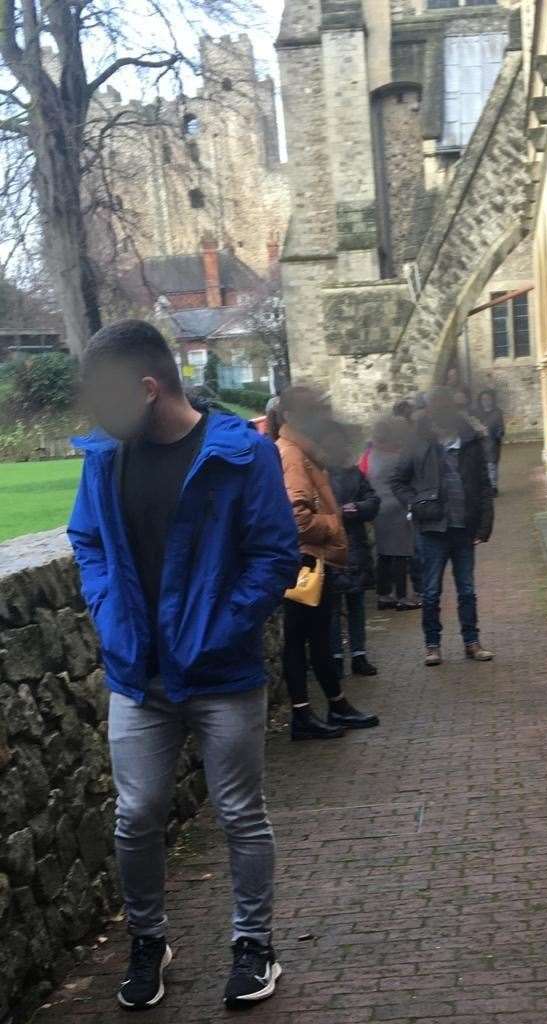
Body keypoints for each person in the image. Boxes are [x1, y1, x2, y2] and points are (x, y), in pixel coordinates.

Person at [68, 320, 298, 1011]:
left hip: (221, 676)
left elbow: (273, 556)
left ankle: (253, 945)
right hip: (139, 678)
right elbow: (88, 542)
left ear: (147, 388)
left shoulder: (241, 456)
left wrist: (217, 631)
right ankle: (148, 941)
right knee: (135, 815)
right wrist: (111, 618)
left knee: (239, 814)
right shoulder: (105, 457)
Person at [275, 386, 380, 739]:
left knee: (317, 636)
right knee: (301, 637)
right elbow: (298, 518)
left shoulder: (302, 452)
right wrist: (336, 525)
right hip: (305, 561)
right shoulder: (291, 455)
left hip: (312, 560)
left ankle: (334, 705)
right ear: (290, 417)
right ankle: (305, 715)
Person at [390, 387, 495, 667]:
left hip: (464, 528)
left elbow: (484, 485)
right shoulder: (418, 444)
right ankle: (432, 645)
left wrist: (484, 527)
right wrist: (415, 504)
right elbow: (398, 481)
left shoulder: (470, 443)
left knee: (467, 590)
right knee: (432, 591)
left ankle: (472, 642)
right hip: (432, 529)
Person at [322, 423, 381, 678]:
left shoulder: (353, 474)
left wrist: (356, 508)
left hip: (351, 545)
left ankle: (355, 655)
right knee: (337, 607)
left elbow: (373, 501)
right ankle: (339, 656)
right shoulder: (320, 477)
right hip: (335, 546)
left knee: (351, 605)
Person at [366, 416, 419, 611]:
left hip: (378, 507)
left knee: (383, 554)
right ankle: (402, 596)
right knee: (400, 553)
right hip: (396, 506)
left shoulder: (371, 455)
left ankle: (383, 594)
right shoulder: (397, 457)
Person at [475, 388, 506, 494]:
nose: (486, 401)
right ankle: (485, 486)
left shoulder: (497, 412)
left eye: (488, 399)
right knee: (483, 465)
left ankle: (493, 486)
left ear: (492, 400)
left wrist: (498, 433)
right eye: (483, 399)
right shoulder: (477, 413)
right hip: (481, 443)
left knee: (492, 465)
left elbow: (501, 427)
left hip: (493, 443)